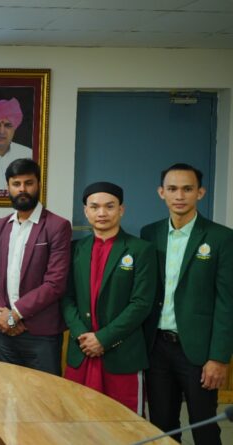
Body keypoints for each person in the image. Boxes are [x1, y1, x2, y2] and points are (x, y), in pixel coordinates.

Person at [141, 163, 232, 444]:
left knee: (205, 427)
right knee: (162, 427)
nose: (179, 196)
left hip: (199, 353)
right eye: (172, 189)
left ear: (200, 193)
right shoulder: (150, 233)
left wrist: (219, 358)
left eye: (187, 189)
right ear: (161, 193)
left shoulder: (221, 238)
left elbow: (227, 303)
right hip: (157, 348)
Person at [61, 182, 156, 414]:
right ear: (86, 211)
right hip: (82, 350)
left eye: (109, 206)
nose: (102, 213)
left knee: (124, 423)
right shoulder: (74, 249)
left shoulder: (140, 249)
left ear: (121, 209)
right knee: (76, 419)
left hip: (122, 353)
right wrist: (82, 336)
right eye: (94, 207)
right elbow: (66, 297)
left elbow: (141, 304)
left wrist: (103, 339)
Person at [0, 158, 71, 375]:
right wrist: (2, 316)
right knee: (5, 391)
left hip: (41, 334)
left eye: (28, 183)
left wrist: (16, 314)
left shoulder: (57, 226)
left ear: (39, 184)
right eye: (16, 184)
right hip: (4, 330)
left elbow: (55, 283)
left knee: (43, 394)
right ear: (8, 187)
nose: (22, 189)